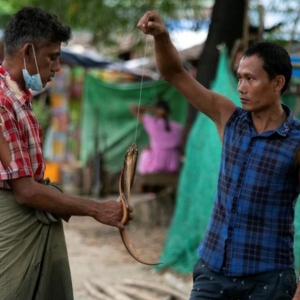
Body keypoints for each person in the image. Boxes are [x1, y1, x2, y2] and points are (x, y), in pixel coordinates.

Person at [138, 11, 300, 300]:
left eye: (250, 79)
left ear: (277, 83)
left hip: (268, 281)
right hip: (213, 271)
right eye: (239, 78)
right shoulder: (229, 118)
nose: (241, 88)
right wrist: (162, 37)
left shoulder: (296, 142)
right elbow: (175, 74)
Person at [0, 7, 132, 300]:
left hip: (28, 225)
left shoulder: (19, 98)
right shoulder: (2, 102)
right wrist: (96, 209)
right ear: (28, 52)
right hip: (12, 231)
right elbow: (26, 192)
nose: (57, 67)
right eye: (53, 57)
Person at [130, 99, 183, 175]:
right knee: (149, 148)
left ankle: (143, 174)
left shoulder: (152, 123)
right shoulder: (178, 127)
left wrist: (149, 108)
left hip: (156, 165)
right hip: (173, 165)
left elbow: (133, 108)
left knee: (145, 152)